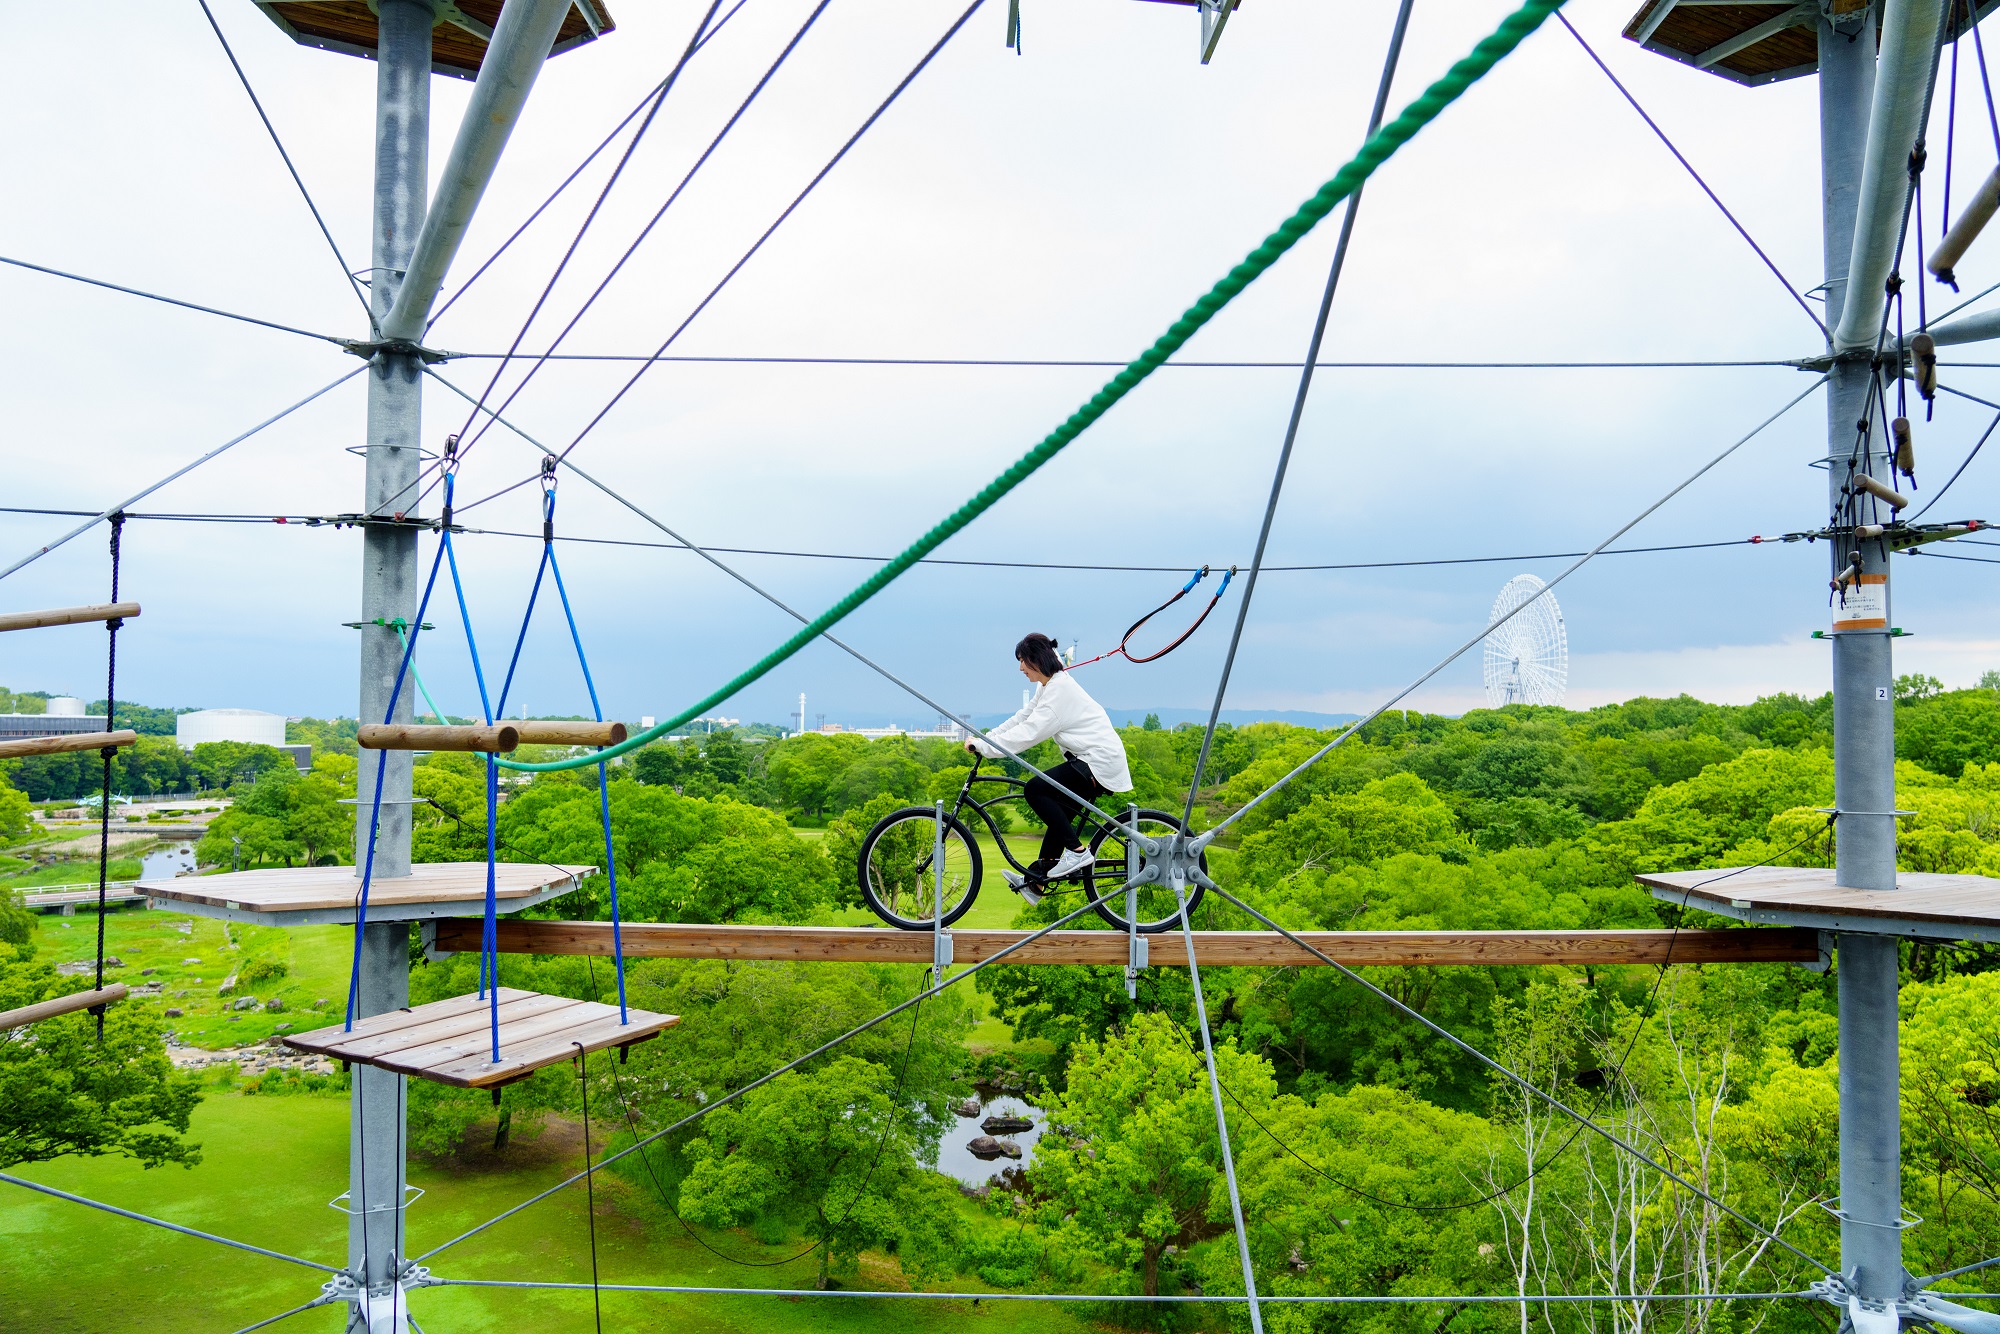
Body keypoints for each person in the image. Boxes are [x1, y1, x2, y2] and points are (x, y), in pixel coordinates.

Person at [966, 632, 1133, 902]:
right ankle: (1037, 881)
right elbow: (1023, 717)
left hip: (1097, 762)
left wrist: (986, 748)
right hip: (1088, 761)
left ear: (1036, 660)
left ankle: (1078, 853)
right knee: (1058, 815)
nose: (1020, 668)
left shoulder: (1059, 693)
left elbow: (1028, 733)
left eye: (1022, 661)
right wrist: (986, 738)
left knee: (1035, 790)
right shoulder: (1048, 686)